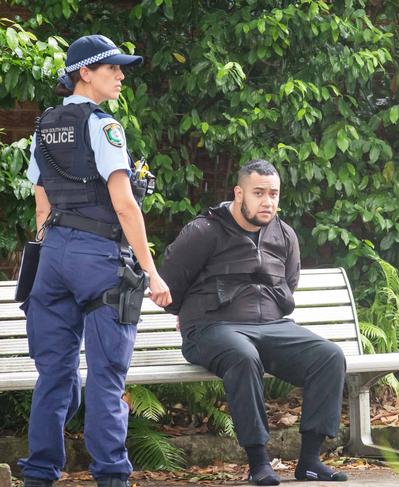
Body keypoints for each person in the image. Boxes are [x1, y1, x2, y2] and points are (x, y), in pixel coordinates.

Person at [17, 35, 172, 487]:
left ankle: (40, 475)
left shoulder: (44, 126)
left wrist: (55, 255)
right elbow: (125, 205)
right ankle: (111, 477)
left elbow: (42, 208)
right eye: (113, 69)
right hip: (98, 257)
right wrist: (150, 270)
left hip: (54, 257)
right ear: (85, 72)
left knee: (54, 374)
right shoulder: (106, 127)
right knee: (106, 376)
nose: (121, 76)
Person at [159, 159, 347, 485]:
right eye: (258, 193)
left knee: (329, 356)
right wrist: (187, 313)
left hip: (272, 327)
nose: (268, 201)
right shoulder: (204, 231)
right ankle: (259, 462)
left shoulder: (284, 235)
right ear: (238, 193)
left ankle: (311, 462)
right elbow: (169, 285)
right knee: (243, 356)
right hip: (211, 328)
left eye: (273, 193)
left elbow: (289, 282)